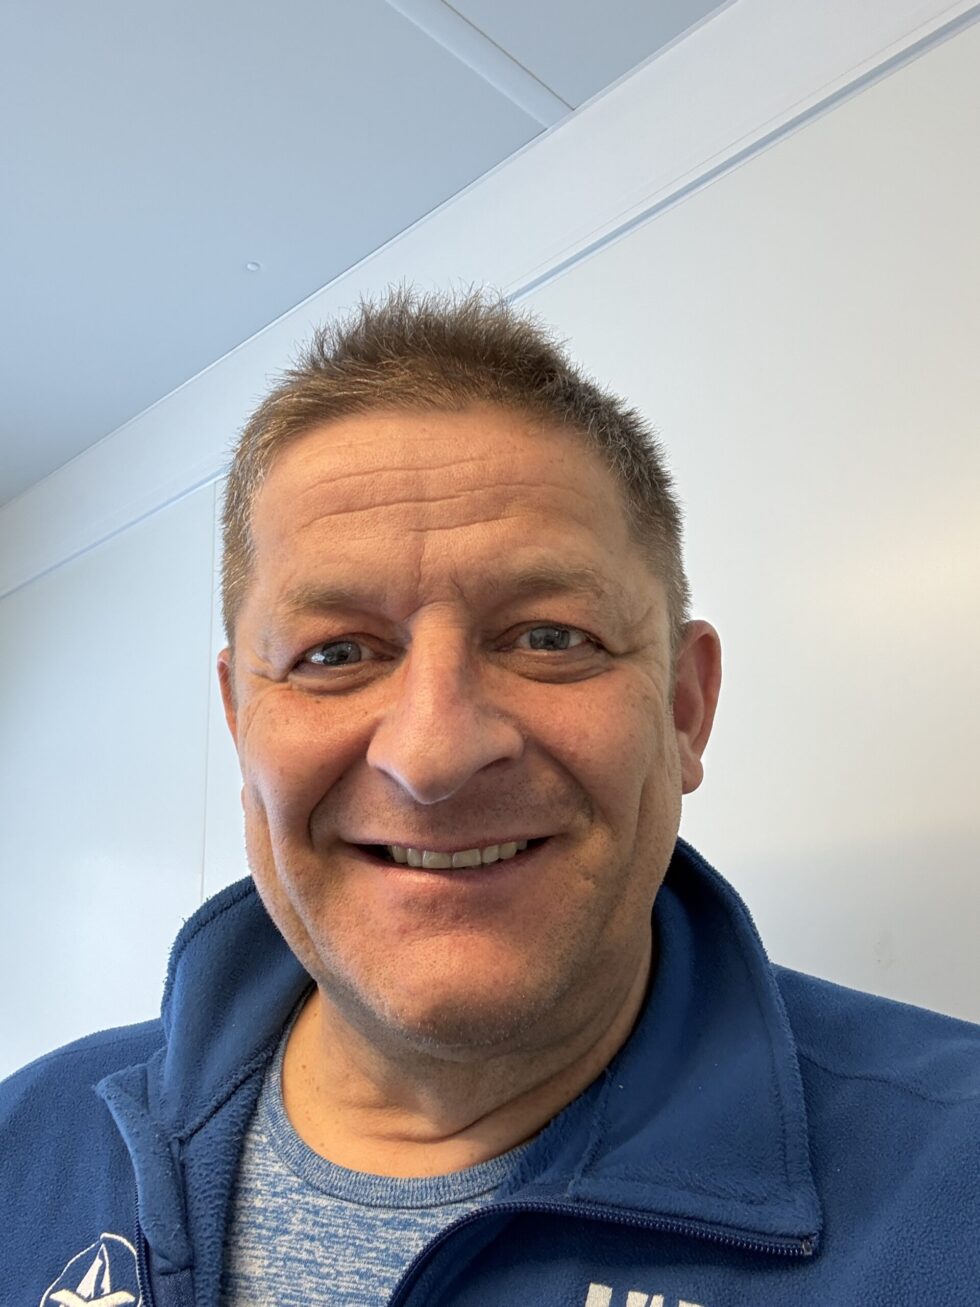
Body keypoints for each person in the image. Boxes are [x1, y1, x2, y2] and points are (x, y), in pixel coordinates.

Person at [1, 290, 977, 1307]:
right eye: (335, 653)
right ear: (241, 721)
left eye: (550, 637)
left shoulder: (955, 1180)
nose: (432, 755)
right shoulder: (26, 1143)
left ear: (684, 708)